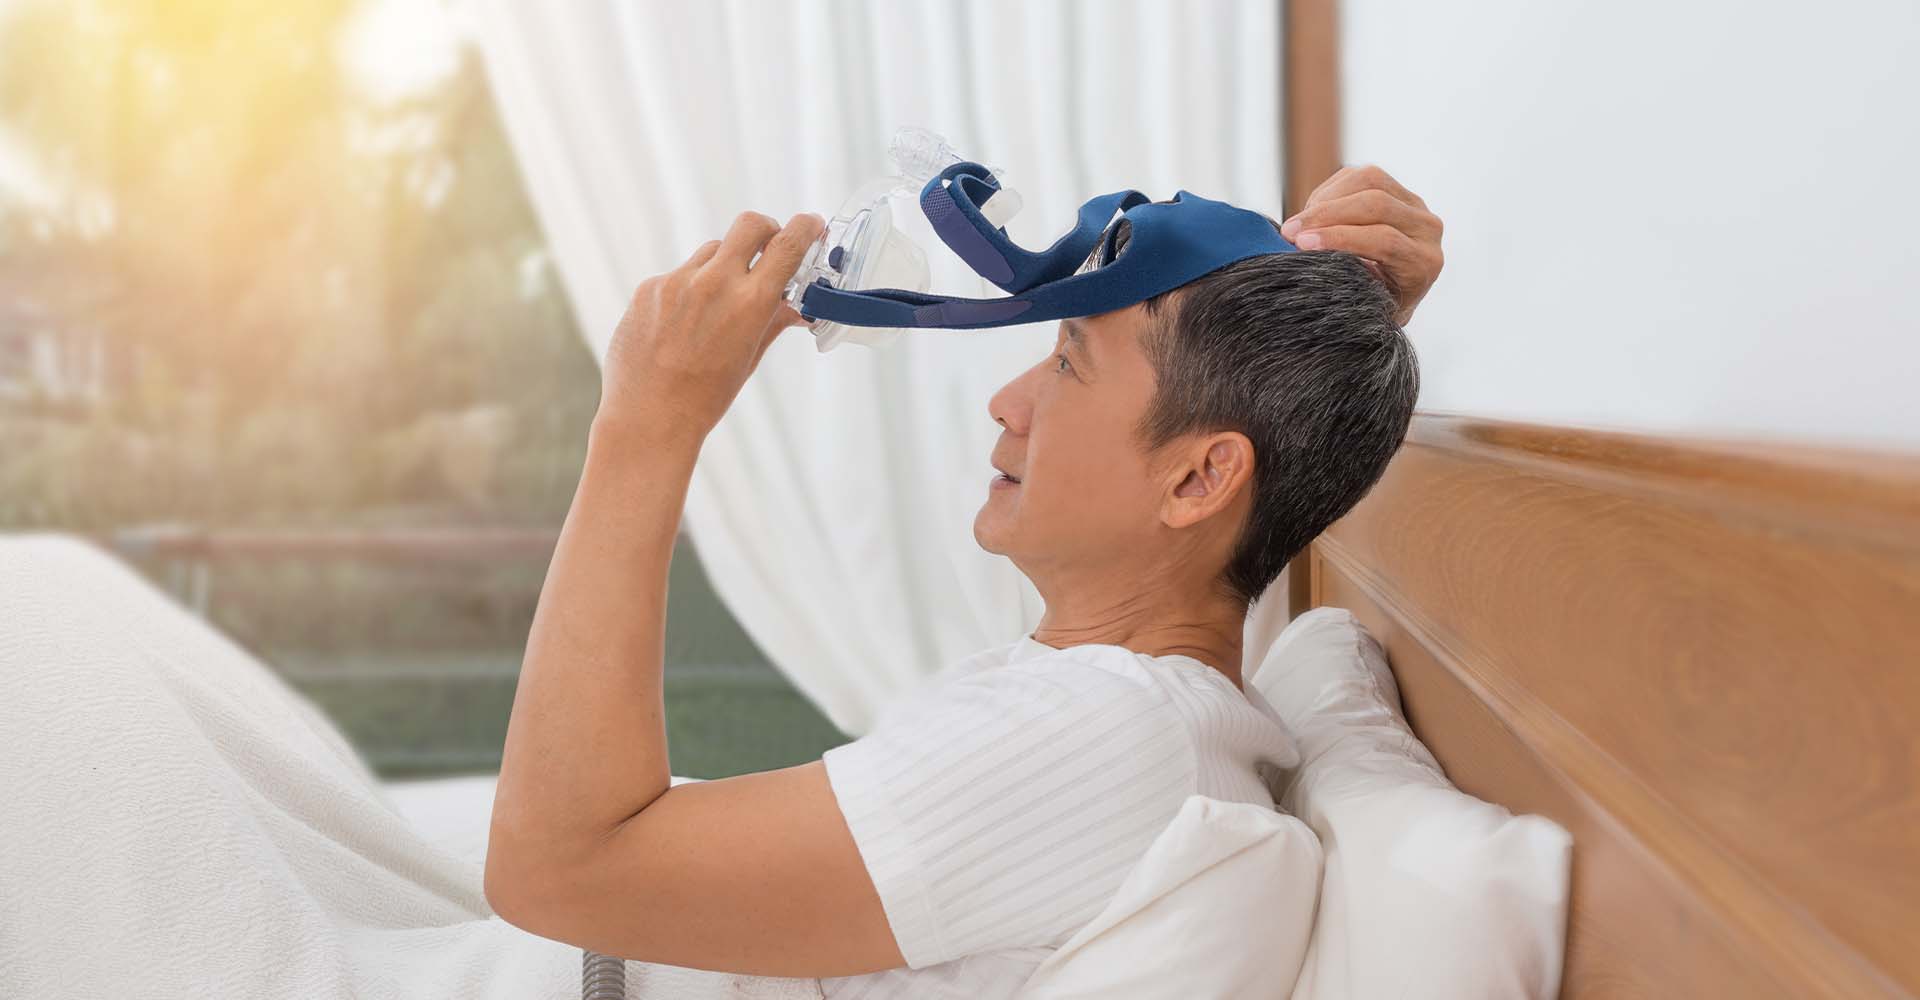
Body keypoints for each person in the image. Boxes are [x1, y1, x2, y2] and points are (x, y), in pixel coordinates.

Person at [483, 165, 1445, 998]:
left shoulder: (1104, 739)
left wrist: (648, 422)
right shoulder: (1143, 709)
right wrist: (1329, 334)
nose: (1008, 400)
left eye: (1069, 363)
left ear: (1199, 479)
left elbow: (557, 871)